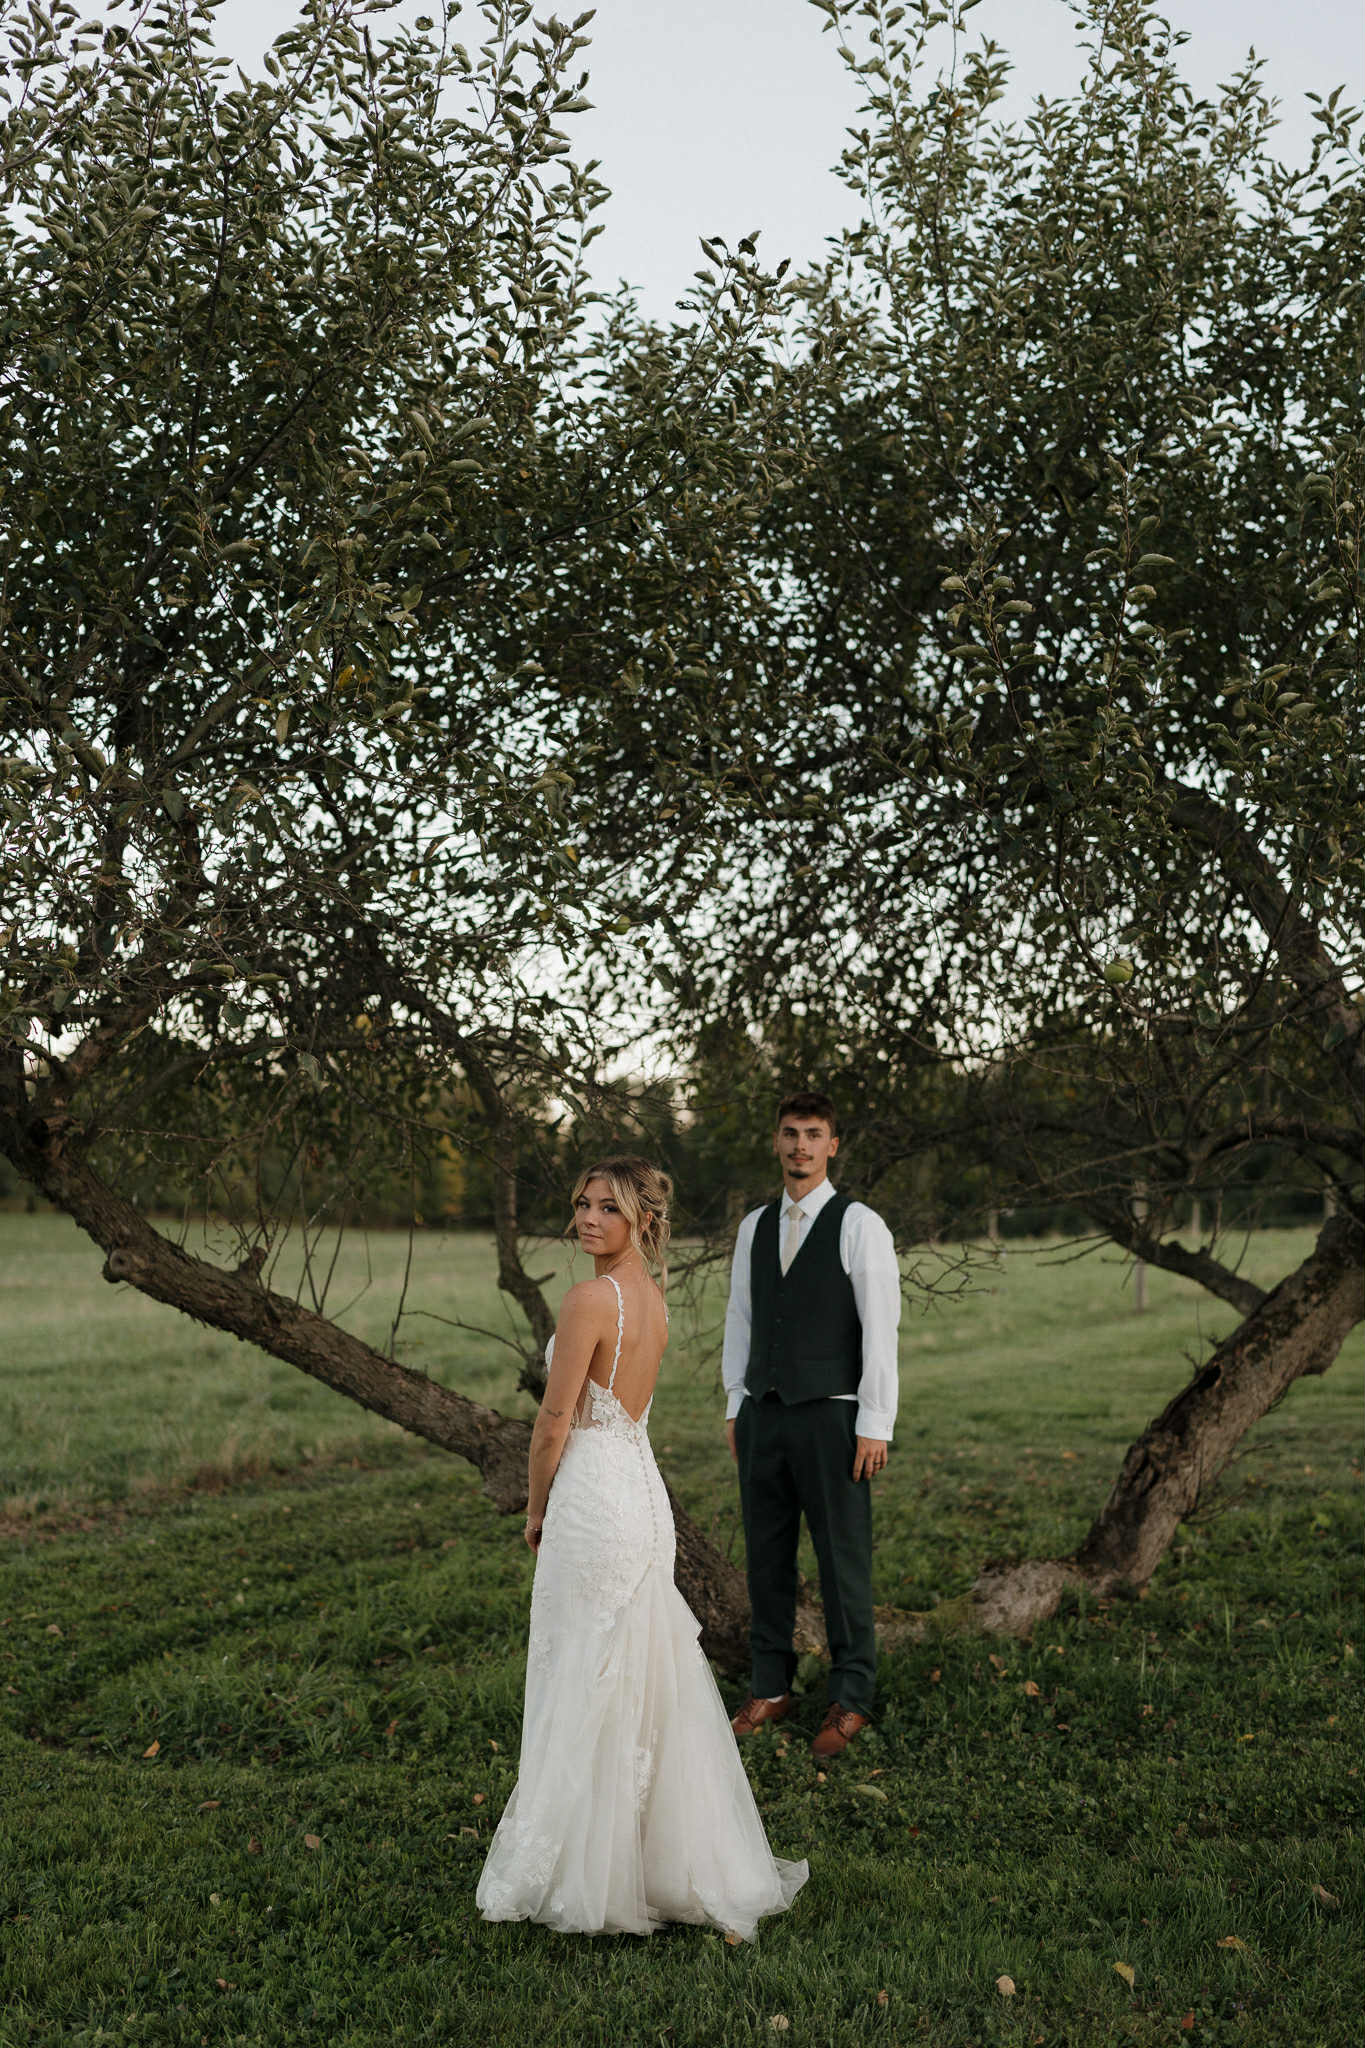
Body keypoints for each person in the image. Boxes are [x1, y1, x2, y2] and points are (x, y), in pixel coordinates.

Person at [477, 1155, 807, 1940]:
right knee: (639, 1672)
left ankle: (591, 1875)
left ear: (643, 1222)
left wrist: (536, 1505)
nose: (588, 1219)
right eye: (582, 1204)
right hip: (641, 1491)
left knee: (587, 1669)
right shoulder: (650, 1302)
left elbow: (553, 1422)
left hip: (595, 1494)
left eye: (608, 1209)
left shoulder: (591, 1298)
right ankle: (653, 1859)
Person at [723, 1091, 901, 1759]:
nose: (800, 1145)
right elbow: (740, 1318)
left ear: (832, 1145)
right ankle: (770, 1685)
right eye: (790, 1133)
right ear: (776, 1142)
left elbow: (880, 1330)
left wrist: (874, 1422)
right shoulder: (752, 1226)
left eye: (814, 1134)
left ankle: (850, 1694)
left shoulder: (859, 1225)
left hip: (834, 1416)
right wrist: (735, 1402)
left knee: (841, 1561)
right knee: (765, 1560)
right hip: (762, 1415)